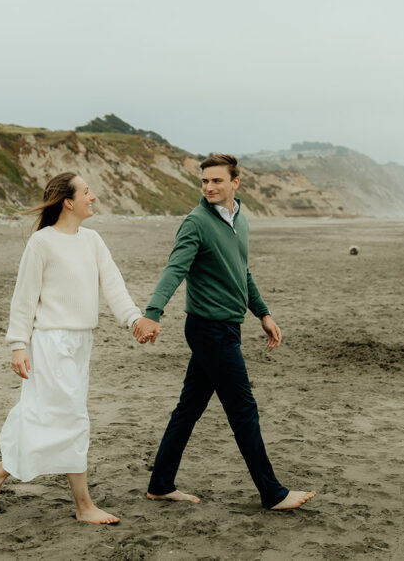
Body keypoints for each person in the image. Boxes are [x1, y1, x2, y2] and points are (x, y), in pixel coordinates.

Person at [132, 153, 316, 511]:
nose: (209, 187)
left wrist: (262, 313)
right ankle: (272, 493)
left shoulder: (238, 219)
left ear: (235, 183)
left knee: (188, 409)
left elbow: (241, 271)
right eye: (204, 181)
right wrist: (152, 313)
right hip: (208, 330)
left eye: (217, 181)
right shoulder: (195, 223)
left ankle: (160, 483)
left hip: (228, 327)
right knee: (243, 409)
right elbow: (174, 270)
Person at [0, 172, 148, 524]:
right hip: (50, 342)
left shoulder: (93, 240)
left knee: (52, 416)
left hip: (81, 342)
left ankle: (0, 470)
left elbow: (113, 286)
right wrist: (17, 345)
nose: (94, 197)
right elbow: (23, 298)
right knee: (71, 418)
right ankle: (84, 506)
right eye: (87, 192)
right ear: (68, 202)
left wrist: (133, 320)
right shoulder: (42, 243)